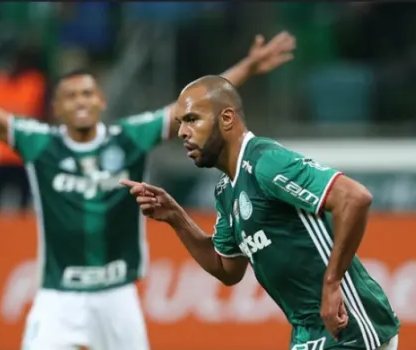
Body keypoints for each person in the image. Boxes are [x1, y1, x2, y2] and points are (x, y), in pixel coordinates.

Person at [0, 23, 296, 350]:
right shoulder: (40, 143)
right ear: (57, 107)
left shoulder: (128, 137)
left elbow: (194, 107)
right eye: (71, 96)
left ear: (100, 101)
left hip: (117, 294)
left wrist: (248, 67)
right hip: (58, 294)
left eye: (88, 93)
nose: (81, 100)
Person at [121, 75, 400, 350]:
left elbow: (354, 198)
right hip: (309, 332)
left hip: (348, 326)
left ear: (227, 119)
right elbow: (227, 268)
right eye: (180, 123)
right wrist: (176, 217)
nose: (182, 132)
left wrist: (332, 282)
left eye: (193, 119)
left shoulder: (266, 162)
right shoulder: (225, 190)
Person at [0, 45, 46, 210]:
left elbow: (42, 115)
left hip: (23, 154)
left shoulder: (34, 83)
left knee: (24, 202)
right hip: (2, 153)